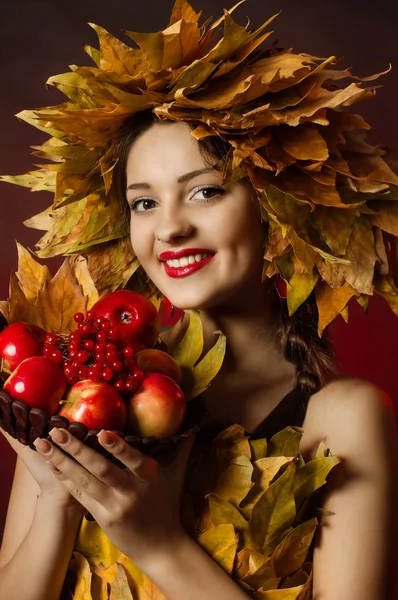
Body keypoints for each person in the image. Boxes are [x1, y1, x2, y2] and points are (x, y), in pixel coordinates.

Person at [0, 2, 397, 599]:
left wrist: (157, 542)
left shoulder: (343, 418)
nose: (169, 228)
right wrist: (59, 494)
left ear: (279, 209)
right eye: (144, 202)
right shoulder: (82, 384)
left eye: (205, 191)